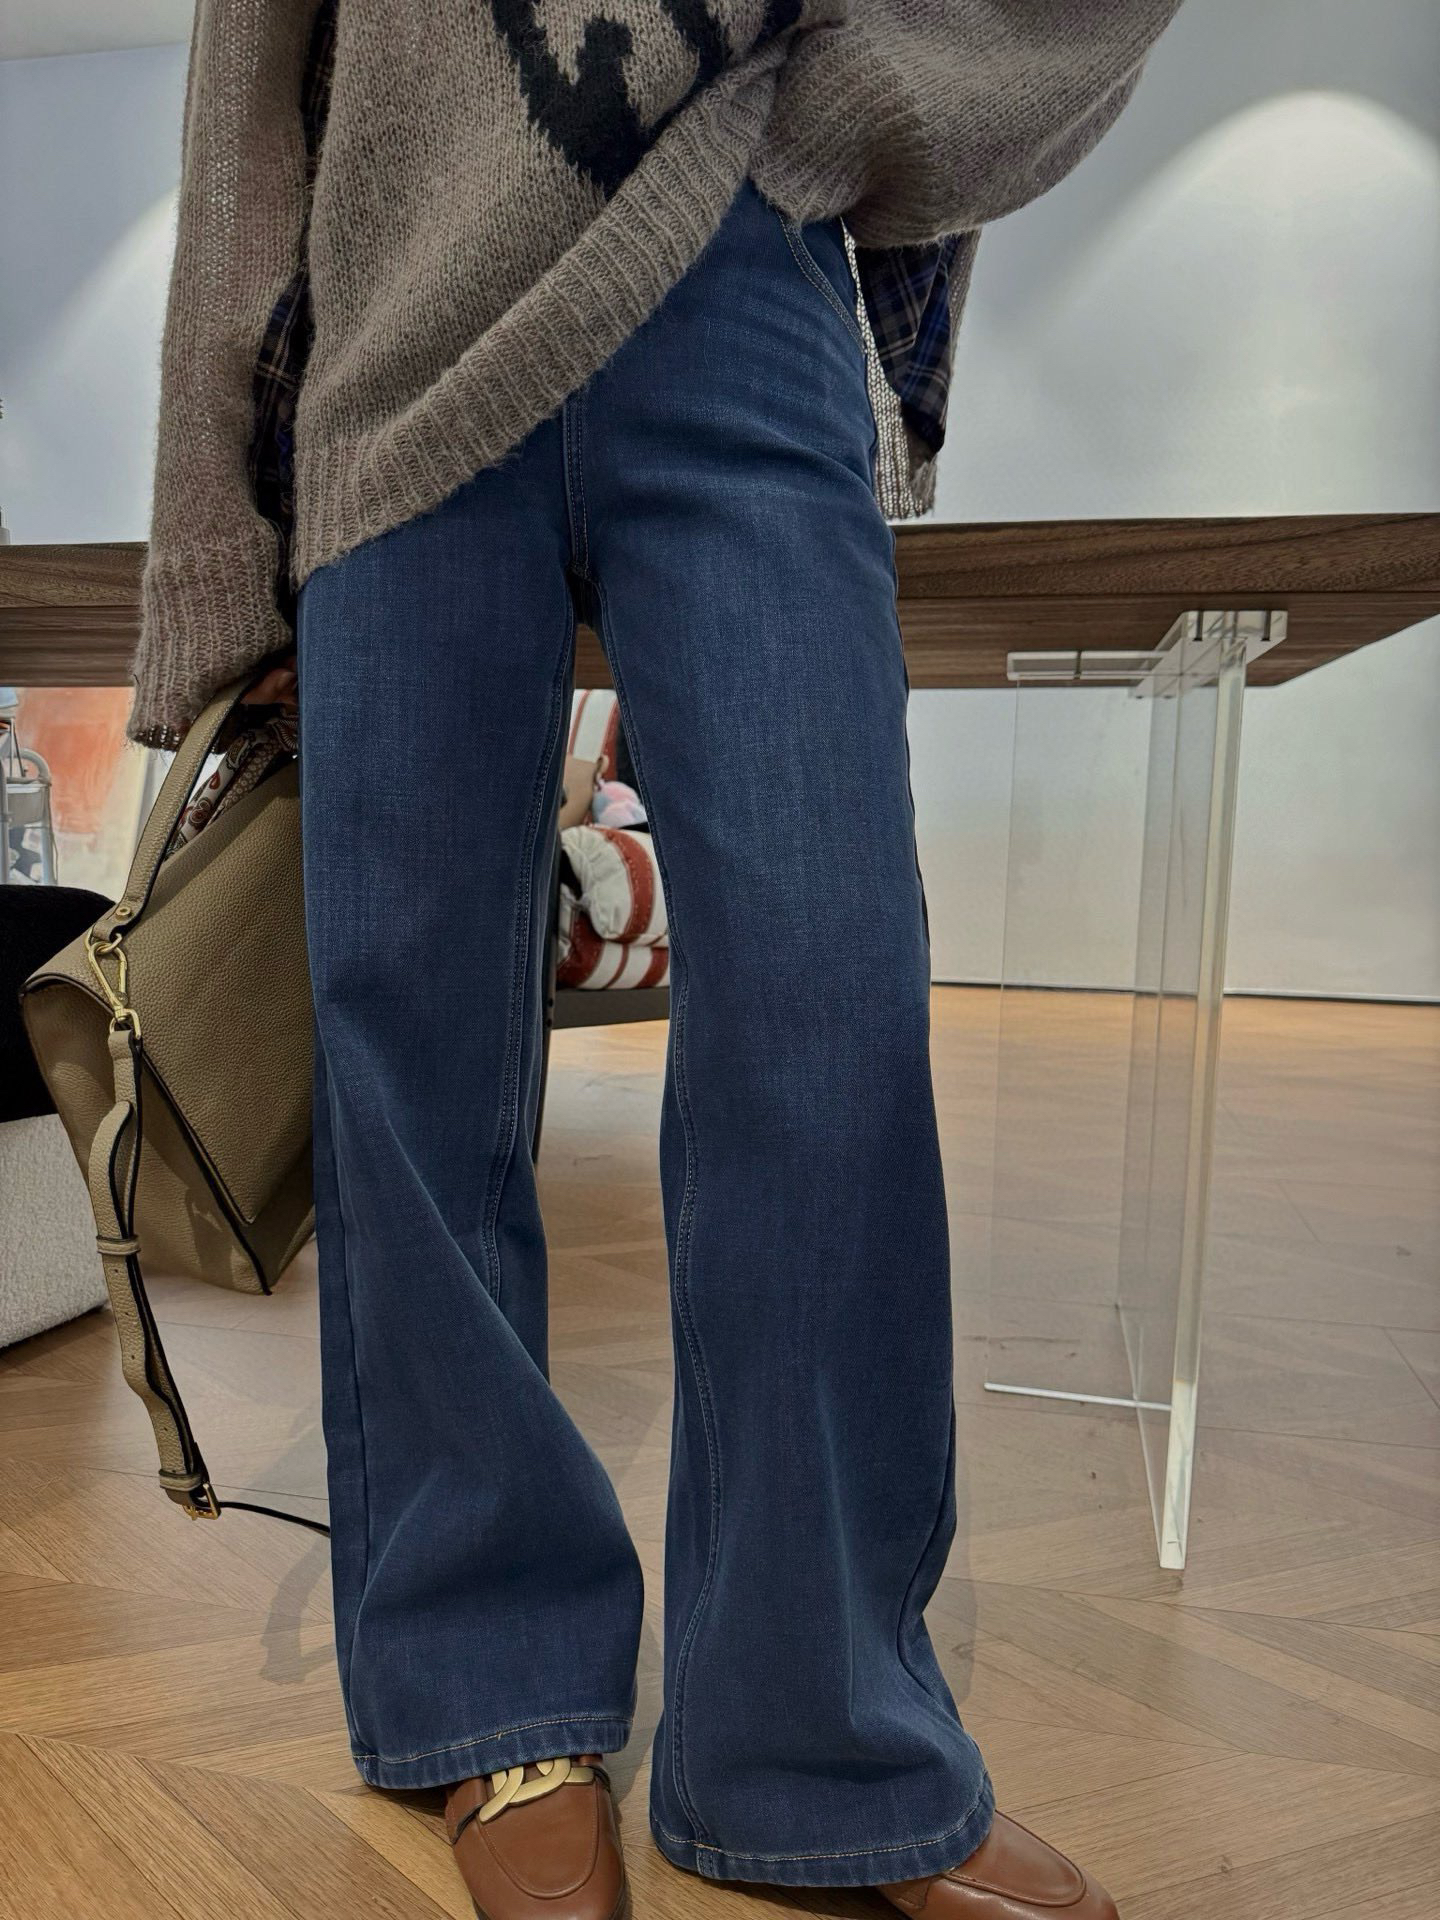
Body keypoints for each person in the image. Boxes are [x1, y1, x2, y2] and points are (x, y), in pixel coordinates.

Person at [133, 6, 1181, 1917]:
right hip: (392, 328)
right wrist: (219, 526)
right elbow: (251, 83)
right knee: (406, 1040)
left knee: (826, 998)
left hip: (740, 277)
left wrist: (857, 105)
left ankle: (822, 1730)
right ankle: (491, 1692)